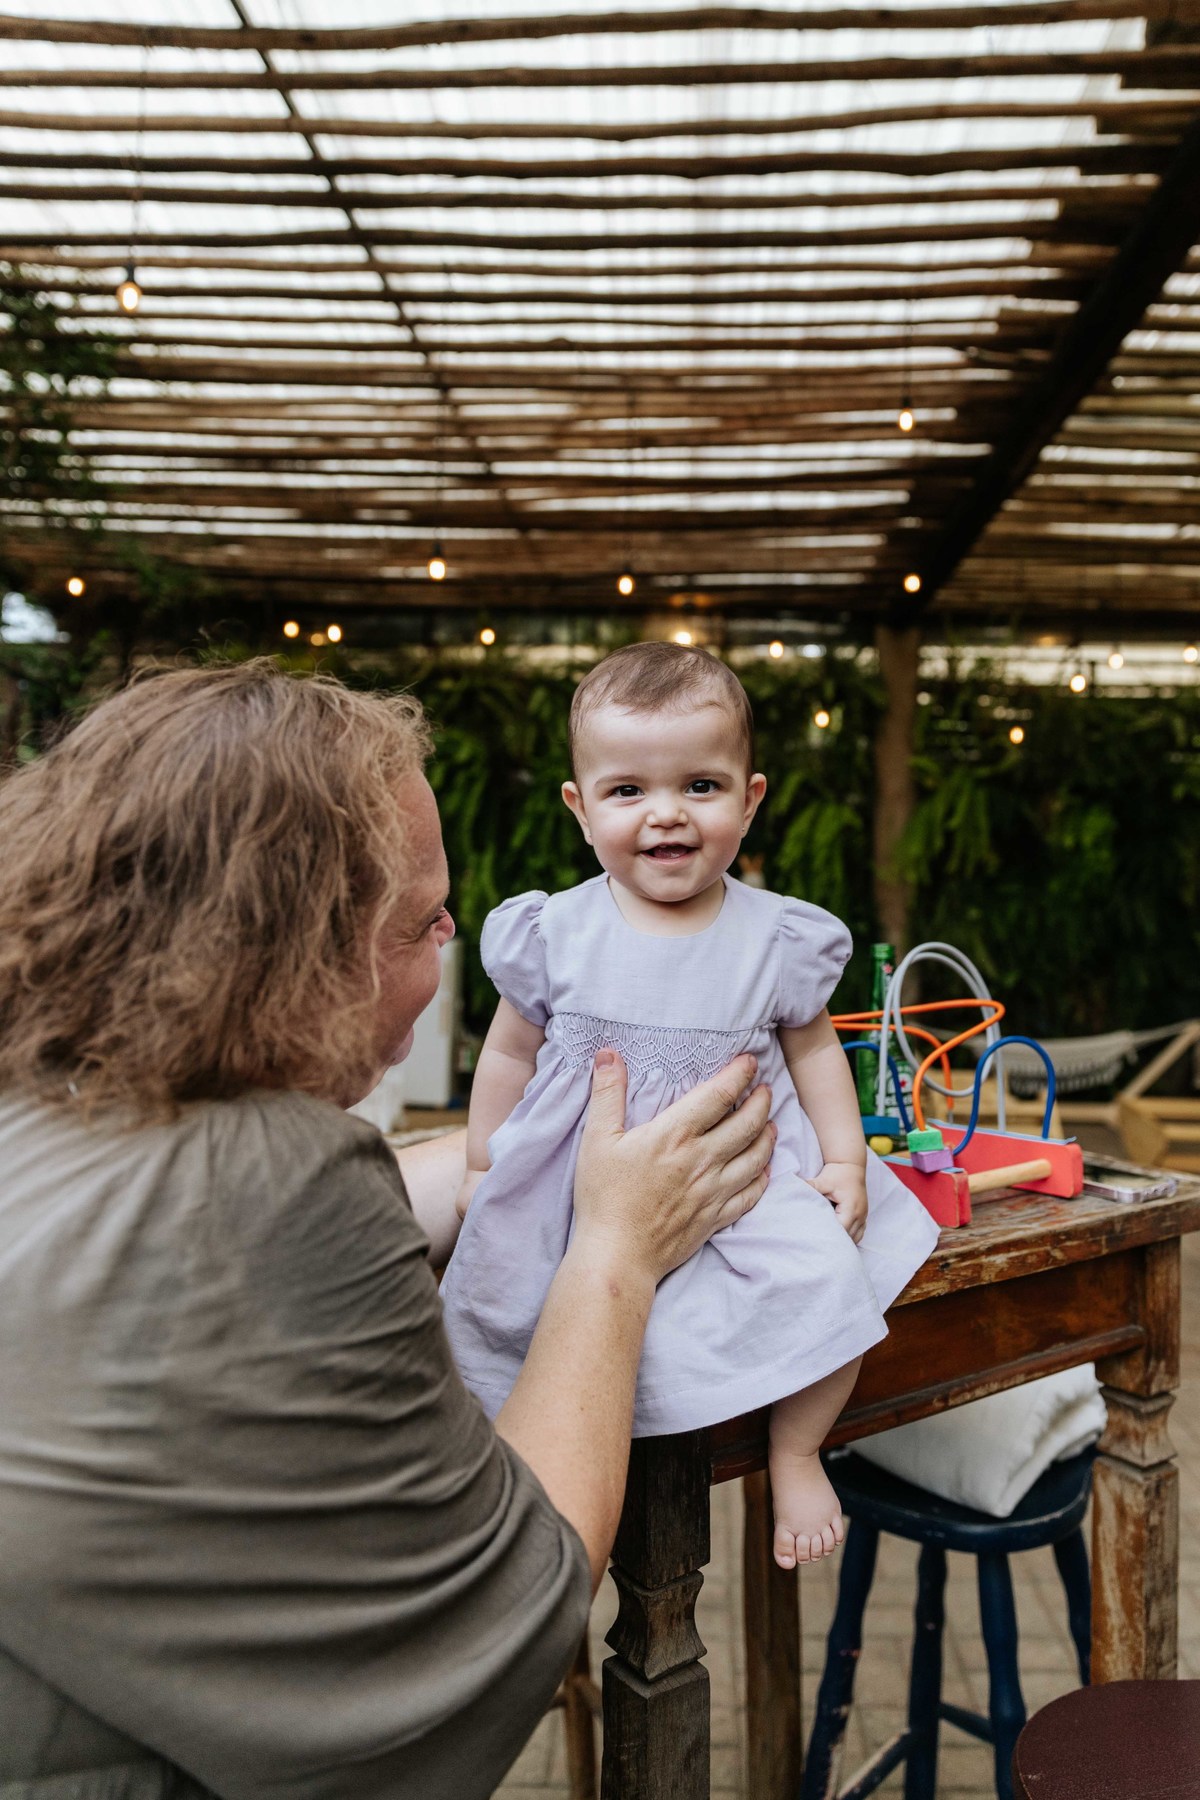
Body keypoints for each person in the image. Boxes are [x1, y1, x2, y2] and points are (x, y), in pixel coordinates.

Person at [0, 660, 776, 1800]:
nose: (452, 937)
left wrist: (526, 1165)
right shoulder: (286, 1179)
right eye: (424, 921)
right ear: (300, 953)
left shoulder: (52, 1102)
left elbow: (233, 1228)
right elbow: (511, 1607)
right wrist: (615, 1244)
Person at [441, 642, 941, 1570]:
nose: (665, 812)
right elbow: (508, 1051)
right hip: (579, 1181)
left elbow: (815, 1050)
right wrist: (481, 1162)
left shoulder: (775, 935)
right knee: (502, 1295)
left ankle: (797, 1451)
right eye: (627, 790)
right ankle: (510, 1471)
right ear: (580, 808)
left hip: (736, 1176)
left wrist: (844, 1160)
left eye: (700, 786)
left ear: (749, 799)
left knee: (834, 1284)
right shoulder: (554, 930)